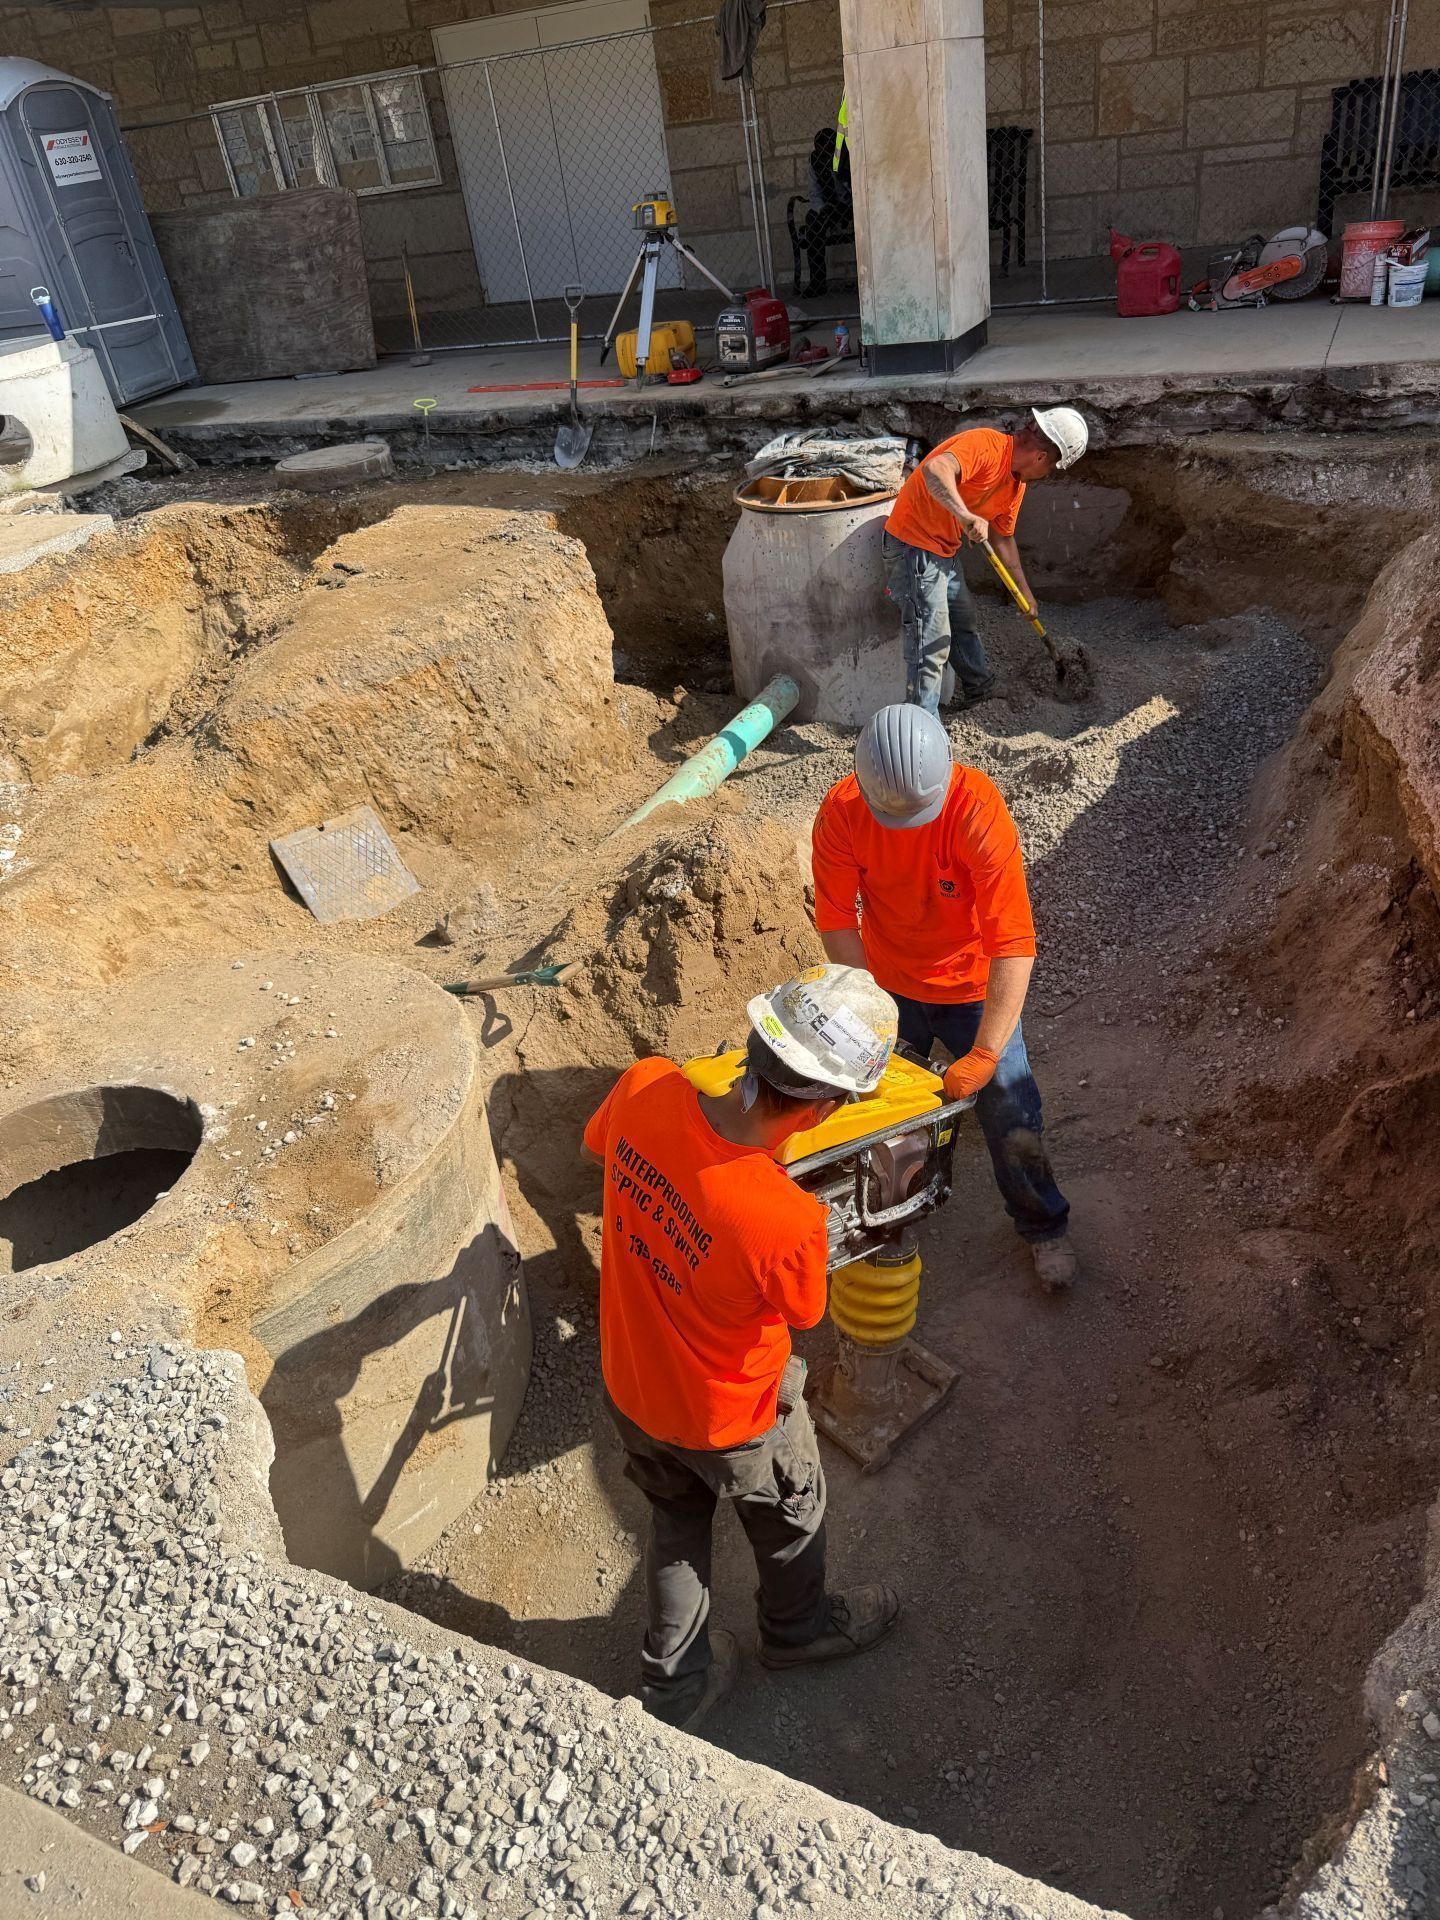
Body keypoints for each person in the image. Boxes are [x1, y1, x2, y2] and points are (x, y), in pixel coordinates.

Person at [583, 965, 903, 1731]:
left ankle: (678, 1686)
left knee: (676, 1522)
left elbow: (607, 1150)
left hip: (634, 1383)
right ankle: (797, 1633)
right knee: (790, 1510)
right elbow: (801, 1309)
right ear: (828, 1107)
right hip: (734, 1415)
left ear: (756, 1043)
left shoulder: (646, 1086)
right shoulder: (783, 1219)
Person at [812, 703, 1075, 1291]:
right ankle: (889, 1220)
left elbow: (1013, 943)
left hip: (972, 987)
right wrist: (872, 1016)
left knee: (1010, 1108)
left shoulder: (976, 811)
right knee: (881, 1111)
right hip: (888, 984)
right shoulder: (843, 812)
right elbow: (836, 920)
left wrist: (984, 1052)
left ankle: (1043, 1225)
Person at [883, 406, 1089, 716]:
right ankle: (922, 725)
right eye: (1049, 469)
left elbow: (1003, 538)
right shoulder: (985, 445)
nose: (1044, 475)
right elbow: (935, 470)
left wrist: (1025, 595)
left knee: (963, 622)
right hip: (914, 547)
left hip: (943, 552)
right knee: (930, 643)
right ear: (1041, 458)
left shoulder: (1015, 485)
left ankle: (979, 688)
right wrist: (965, 515)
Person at [800, 126, 852, 298]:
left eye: (829, 151)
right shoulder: (815, 162)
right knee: (812, 220)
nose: (825, 156)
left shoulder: (847, 156)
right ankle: (817, 282)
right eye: (821, 152)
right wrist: (823, 208)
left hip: (851, 205)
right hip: (829, 207)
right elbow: (814, 194)